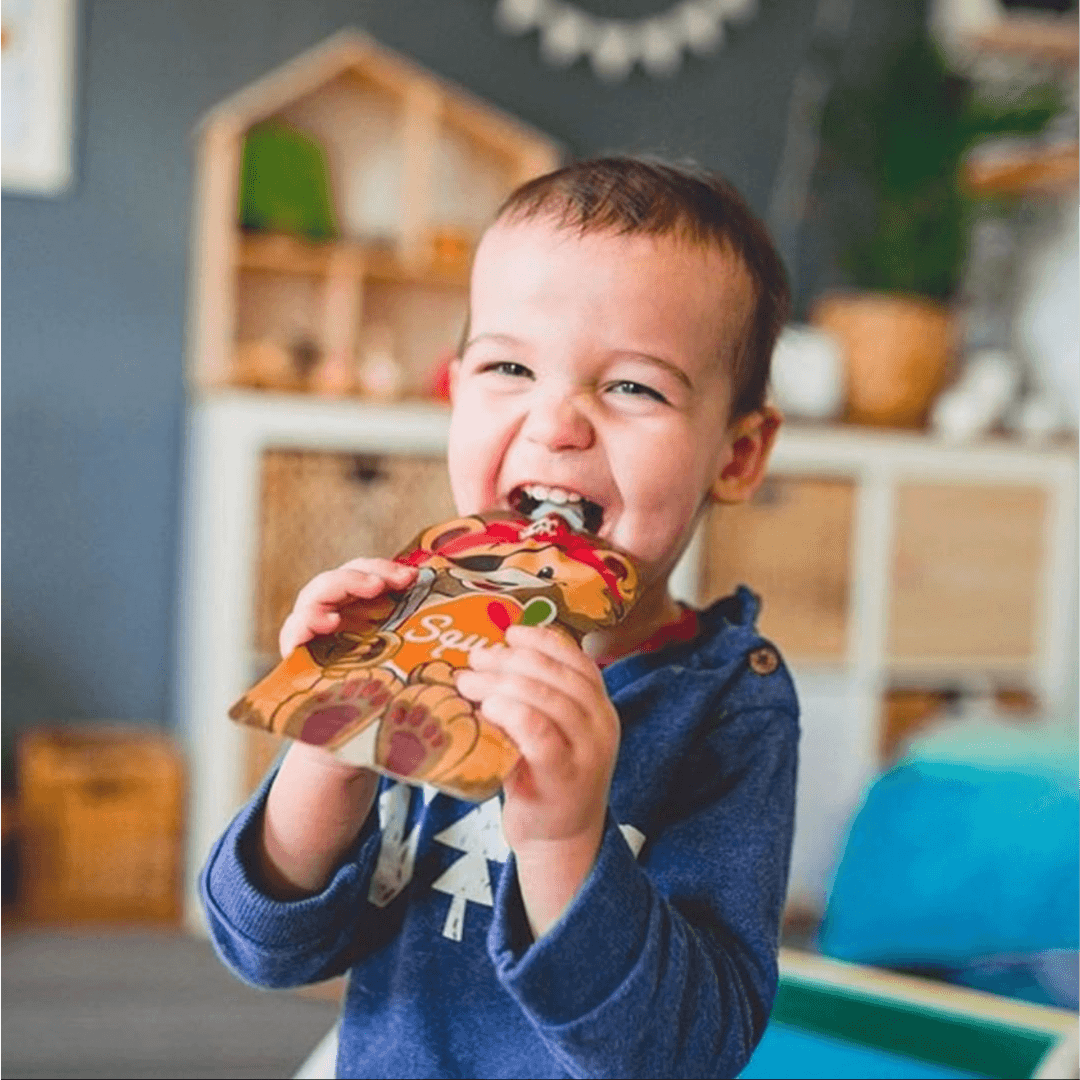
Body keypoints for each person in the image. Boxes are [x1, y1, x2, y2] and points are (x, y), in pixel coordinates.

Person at [201, 156, 799, 1079]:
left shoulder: (730, 706)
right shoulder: (417, 630)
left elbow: (688, 1050)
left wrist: (564, 839)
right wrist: (332, 740)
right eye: (510, 365)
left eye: (635, 386)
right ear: (454, 386)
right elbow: (266, 948)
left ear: (739, 452)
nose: (556, 422)